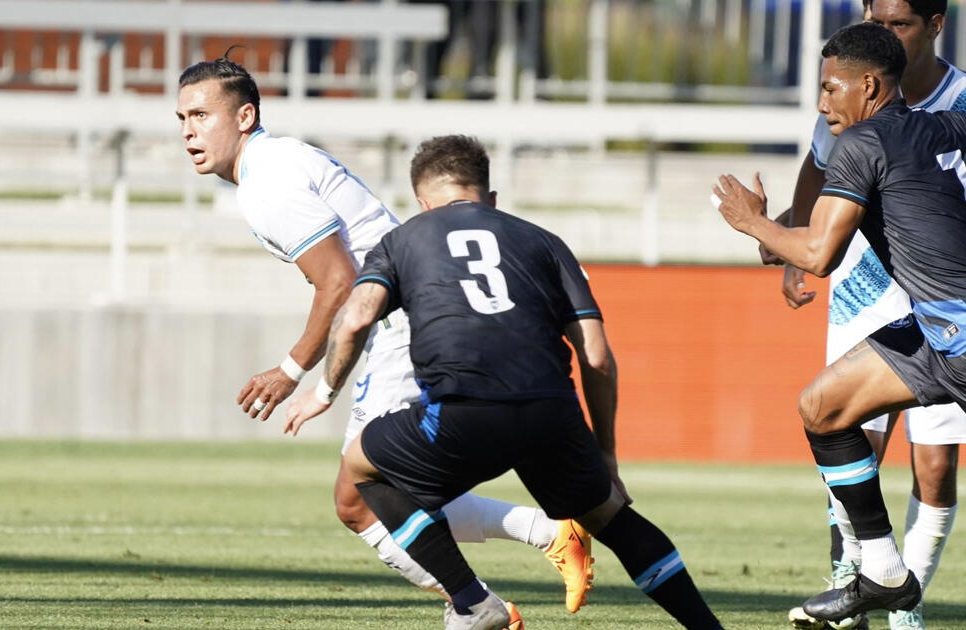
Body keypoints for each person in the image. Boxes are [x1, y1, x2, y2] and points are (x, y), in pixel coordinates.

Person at [174, 55, 595, 618]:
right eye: (182, 118)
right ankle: (527, 553)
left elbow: (341, 281)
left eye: (202, 115)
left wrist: (294, 372)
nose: (188, 131)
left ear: (245, 115)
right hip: (414, 314)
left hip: (400, 322)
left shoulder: (266, 183)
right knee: (387, 489)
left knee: (360, 498)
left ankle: (481, 599)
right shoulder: (278, 159)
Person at [287, 135, 725, 630]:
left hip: (461, 414)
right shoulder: (544, 242)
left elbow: (352, 320)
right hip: (550, 412)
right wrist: (605, 456)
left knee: (363, 470)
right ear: (490, 198)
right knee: (610, 518)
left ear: (423, 202)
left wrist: (323, 391)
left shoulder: (406, 237)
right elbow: (597, 358)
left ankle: (472, 602)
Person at [712, 21, 966, 622]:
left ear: (869, 86)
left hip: (955, 335)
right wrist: (781, 234)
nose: (823, 103)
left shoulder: (861, 144)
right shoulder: (935, 125)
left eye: (831, 89)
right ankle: (882, 573)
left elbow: (819, 256)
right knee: (823, 408)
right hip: (936, 334)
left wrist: (753, 222)